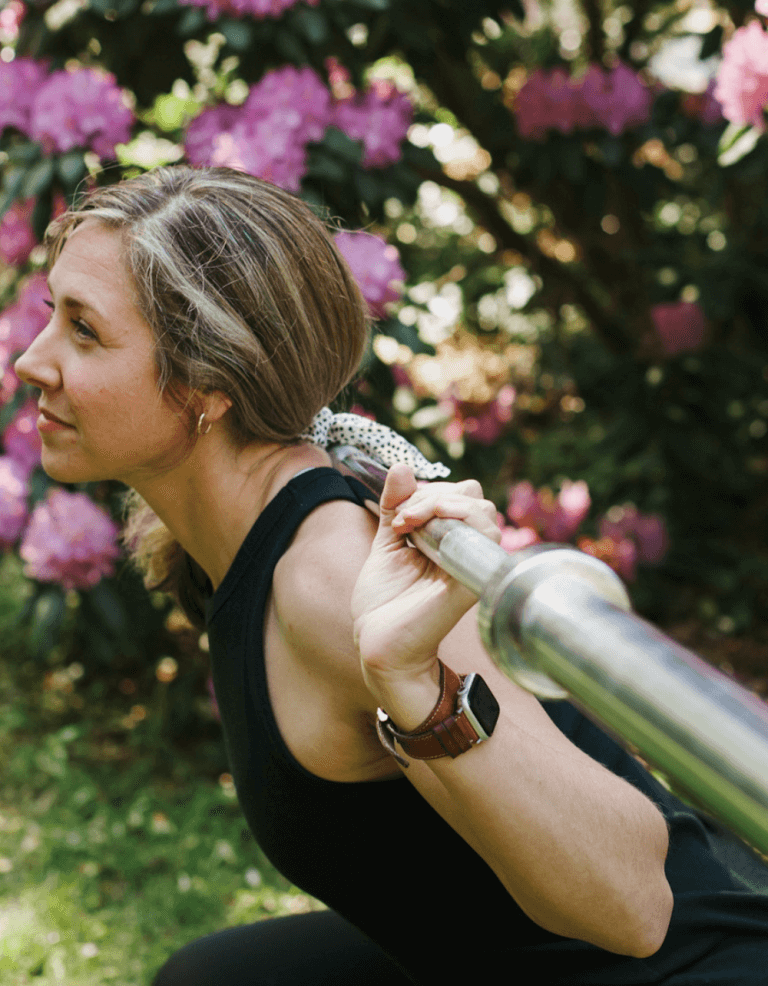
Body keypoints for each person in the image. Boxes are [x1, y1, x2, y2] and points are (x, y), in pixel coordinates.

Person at [14, 164, 768, 986]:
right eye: (55, 314)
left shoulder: (327, 577)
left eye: (85, 331)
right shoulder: (217, 530)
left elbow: (634, 902)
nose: (30, 361)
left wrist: (417, 687)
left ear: (209, 383)